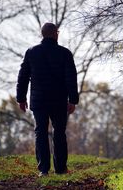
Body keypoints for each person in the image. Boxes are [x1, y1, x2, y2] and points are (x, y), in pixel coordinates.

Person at [16, 22, 79, 176]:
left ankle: (43, 169)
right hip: (58, 99)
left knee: (41, 133)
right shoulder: (64, 53)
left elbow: (23, 76)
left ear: (43, 34)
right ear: (56, 34)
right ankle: (61, 169)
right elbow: (71, 78)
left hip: (39, 100)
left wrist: (21, 98)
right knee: (59, 133)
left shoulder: (31, 52)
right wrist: (73, 100)